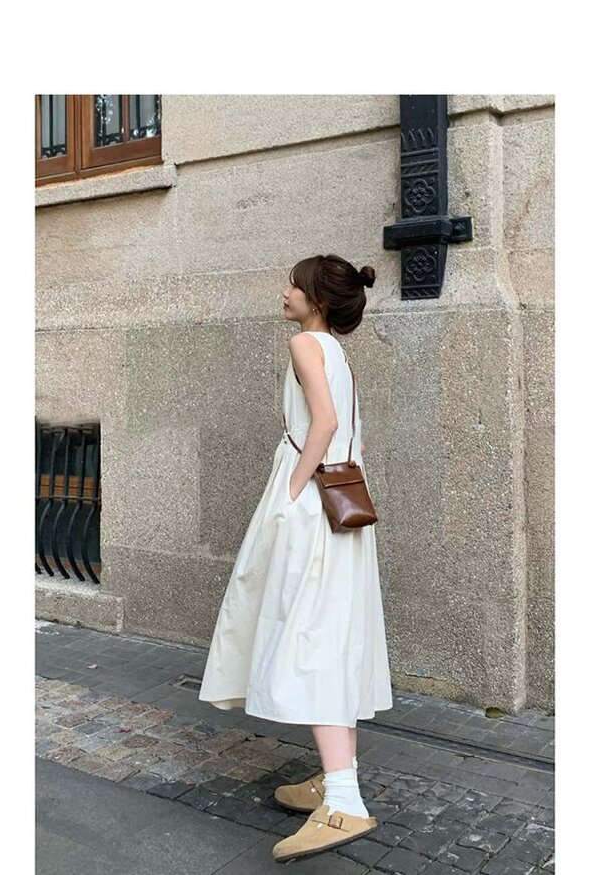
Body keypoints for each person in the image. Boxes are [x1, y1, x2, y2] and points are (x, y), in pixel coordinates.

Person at [198, 254, 393, 862]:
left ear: (318, 300)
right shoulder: (337, 353)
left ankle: (344, 802)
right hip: (342, 504)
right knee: (330, 633)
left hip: (312, 507)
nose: (285, 292)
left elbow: (324, 424)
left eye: (295, 285)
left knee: (309, 637)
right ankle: (337, 779)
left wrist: (290, 489)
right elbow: (345, 427)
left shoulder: (306, 344)